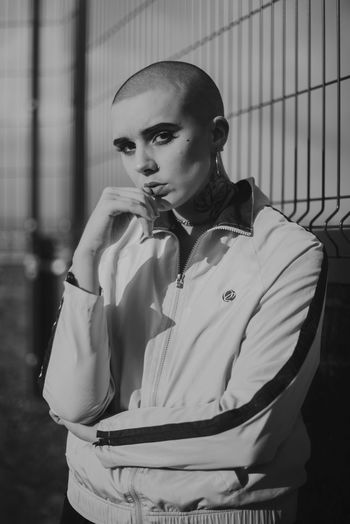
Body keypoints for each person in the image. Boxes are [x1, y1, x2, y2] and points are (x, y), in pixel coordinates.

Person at [41, 61, 327, 524]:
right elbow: (73, 404)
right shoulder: (117, 245)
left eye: (162, 136)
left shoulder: (287, 254)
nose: (142, 164)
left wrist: (102, 437)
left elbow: (249, 429)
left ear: (217, 134)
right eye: (126, 146)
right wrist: (87, 256)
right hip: (87, 508)